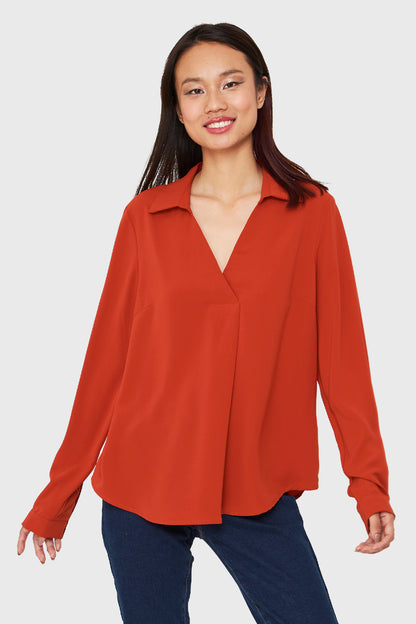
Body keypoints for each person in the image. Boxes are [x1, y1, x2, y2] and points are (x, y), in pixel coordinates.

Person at [17, 22, 395, 624]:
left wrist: (368, 482)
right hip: (141, 487)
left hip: (254, 488)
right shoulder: (145, 218)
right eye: (194, 90)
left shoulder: (311, 212)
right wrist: (60, 491)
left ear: (261, 92)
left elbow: (343, 359)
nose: (214, 102)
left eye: (230, 84)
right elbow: (107, 362)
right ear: (178, 109)